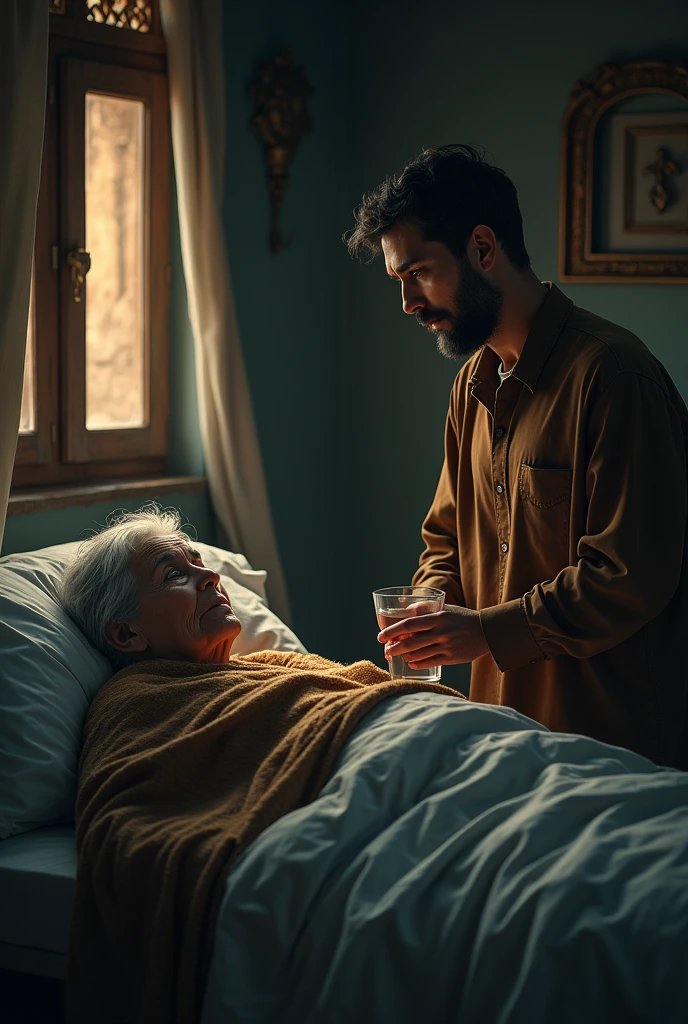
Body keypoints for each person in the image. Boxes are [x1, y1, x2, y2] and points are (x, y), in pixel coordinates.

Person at [345, 143, 688, 768]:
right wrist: (433, 601)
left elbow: (631, 574)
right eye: (400, 281)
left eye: (419, 272)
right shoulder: (470, 385)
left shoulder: (614, 376)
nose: (408, 304)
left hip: (619, 747)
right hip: (504, 740)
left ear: (482, 248)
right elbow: (445, 535)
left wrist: (483, 631)